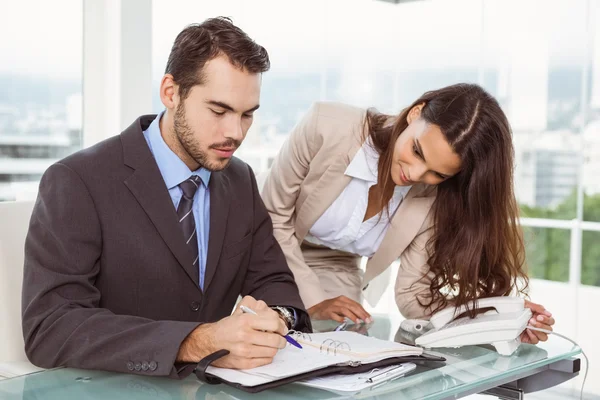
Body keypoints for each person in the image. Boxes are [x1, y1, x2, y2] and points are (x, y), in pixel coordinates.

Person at [21, 17, 311, 379]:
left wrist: (276, 319)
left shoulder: (239, 179)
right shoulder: (77, 181)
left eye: (247, 115)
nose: (234, 133)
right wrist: (196, 341)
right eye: (219, 111)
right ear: (171, 92)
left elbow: (275, 283)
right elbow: (50, 328)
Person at [260, 83, 554, 344]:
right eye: (417, 151)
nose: (414, 174)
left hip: (338, 268)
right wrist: (315, 300)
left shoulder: (434, 200)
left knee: (337, 353)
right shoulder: (325, 125)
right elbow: (273, 218)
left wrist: (500, 320)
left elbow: (414, 295)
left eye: (436, 173)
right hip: (267, 247)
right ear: (415, 113)